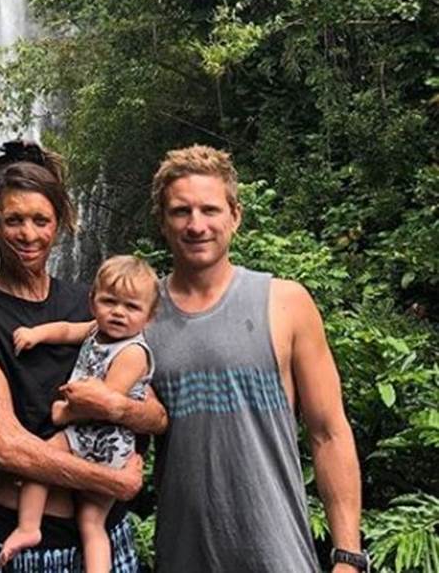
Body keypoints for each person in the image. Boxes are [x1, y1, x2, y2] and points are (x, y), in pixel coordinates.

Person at [0, 140, 167, 572]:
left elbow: (155, 414)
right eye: (14, 220)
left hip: (107, 534)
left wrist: (114, 405)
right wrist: (114, 480)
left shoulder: (92, 304)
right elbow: (7, 447)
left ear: (58, 223)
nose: (29, 234)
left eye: (41, 220)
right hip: (26, 549)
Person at [141, 144, 368, 573]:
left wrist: (349, 557)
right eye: (180, 212)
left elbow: (328, 432)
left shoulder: (286, 302)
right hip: (182, 556)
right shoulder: (140, 315)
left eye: (210, 210)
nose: (196, 225)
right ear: (162, 222)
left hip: (277, 554)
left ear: (235, 216)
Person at [0, 256, 160, 572]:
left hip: (105, 443)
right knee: (42, 468)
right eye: (109, 301)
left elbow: (104, 403)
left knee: (87, 516)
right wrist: (37, 334)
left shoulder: (133, 353)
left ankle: (31, 529)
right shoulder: (95, 330)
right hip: (83, 434)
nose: (118, 312)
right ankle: (29, 529)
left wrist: (63, 413)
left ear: (149, 317)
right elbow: (67, 330)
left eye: (131, 307)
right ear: (92, 301)